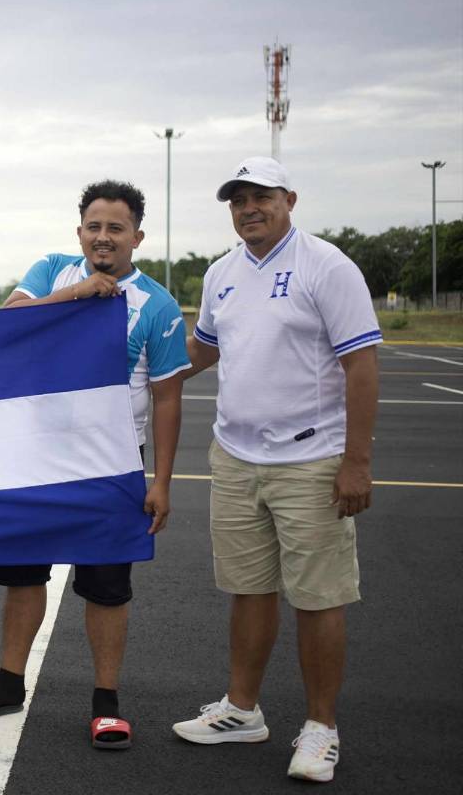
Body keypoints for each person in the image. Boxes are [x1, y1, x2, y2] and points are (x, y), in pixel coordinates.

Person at [0, 180, 189, 751]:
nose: (104, 237)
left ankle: (106, 703)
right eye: (94, 226)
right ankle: (7, 684)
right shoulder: (54, 269)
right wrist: (82, 292)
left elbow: (168, 396)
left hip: (108, 465)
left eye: (116, 228)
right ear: (79, 230)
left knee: (107, 587)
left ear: (137, 236)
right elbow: (11, 321)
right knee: (23, 576)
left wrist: (160, 480)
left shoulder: (155, 304)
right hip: (33, 459)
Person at [171, 157, 380, 783]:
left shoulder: (326, 265)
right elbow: (203, 351)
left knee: (318, 598)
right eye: (237, 200)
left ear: (289, 198)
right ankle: (242, 710)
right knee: (249, 589)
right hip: (235, 459)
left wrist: (357, 462)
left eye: (260, 197)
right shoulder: (221, 273)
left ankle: (321, 729)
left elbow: (362, 366)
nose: (248, 208)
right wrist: (137, 374)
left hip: (311, 461)